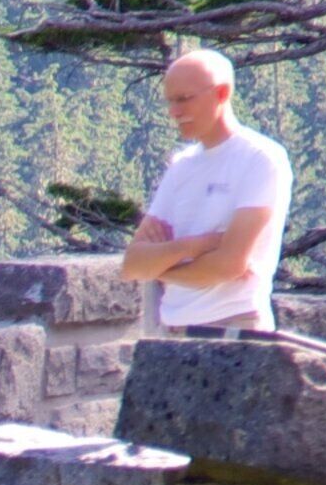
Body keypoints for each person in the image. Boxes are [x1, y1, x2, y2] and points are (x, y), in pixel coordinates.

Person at [118, 48, 292, 333]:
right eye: (171, 102)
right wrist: (195, 246)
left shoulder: (260, 159)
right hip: (172, 330)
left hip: (234, 326)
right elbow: (133, 264)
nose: (175, 112)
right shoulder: (181, 166)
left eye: (185, 99)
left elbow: (228, 264)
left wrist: (161, 267)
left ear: (221, 94)